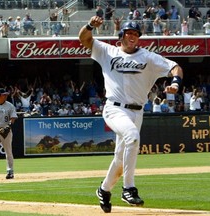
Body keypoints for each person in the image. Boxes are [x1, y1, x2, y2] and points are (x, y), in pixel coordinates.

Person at [79, 18, 183, 213]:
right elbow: (83, 39)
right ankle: (128, 188)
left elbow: (175, 67)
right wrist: (91, 26)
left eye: (136, 34)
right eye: (129, 33)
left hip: (137, 111)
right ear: (122, 35)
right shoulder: (107, 51)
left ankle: (104, 189)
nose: (133, 36)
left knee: (120, 159)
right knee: (133, 138)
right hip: (114, 108)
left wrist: (175, 83)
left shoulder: (148, 57)